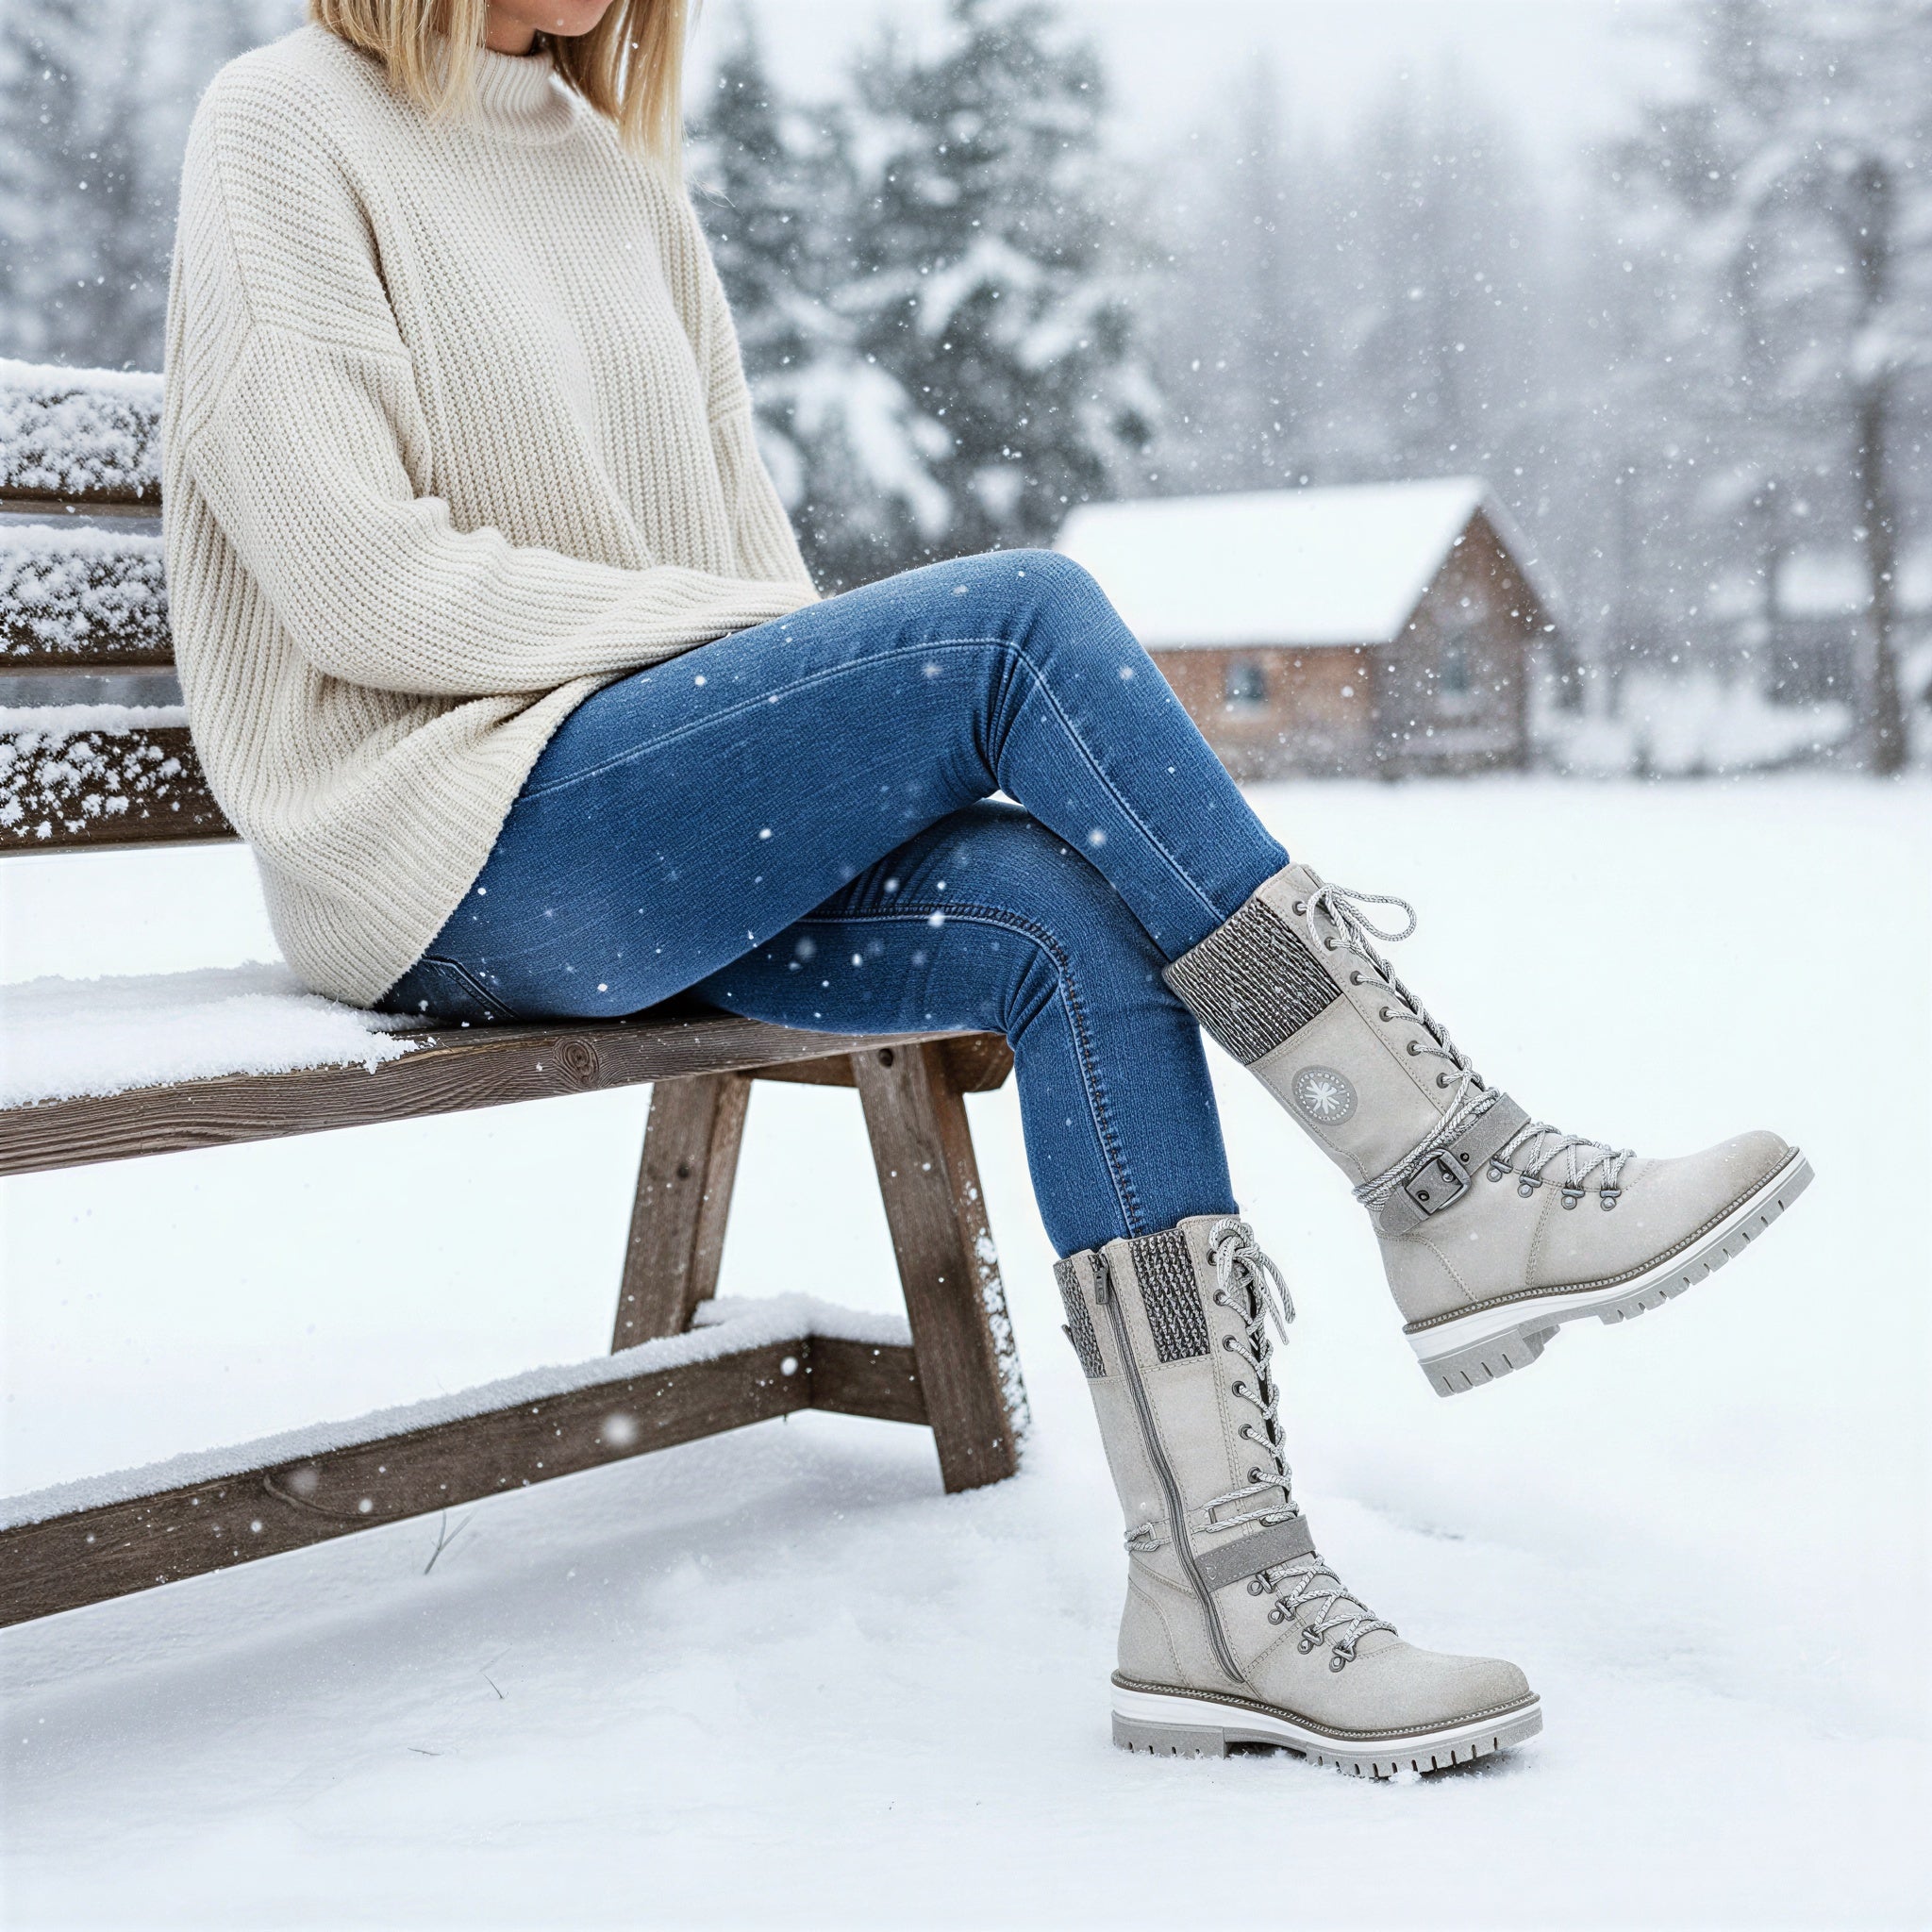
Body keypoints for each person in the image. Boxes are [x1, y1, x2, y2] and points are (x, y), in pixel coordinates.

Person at [161, 0, 1810, 1775]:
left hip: (650, 827)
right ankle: (1444, 1165)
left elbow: (749, 565)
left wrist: (801, 696)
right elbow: (356, 582)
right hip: (447, 844)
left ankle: (1221, 1589)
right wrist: (781, 663)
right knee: (1018, 619)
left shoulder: (616, 177)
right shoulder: (285, 126)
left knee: (1055, 908)